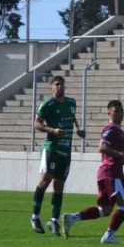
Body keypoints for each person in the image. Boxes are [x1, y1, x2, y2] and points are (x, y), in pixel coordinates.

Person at [62, 100, 124, 243]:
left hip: (109, 172)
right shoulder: (111, 129)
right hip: (112, 173)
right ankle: (109, 235)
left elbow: (111, 153)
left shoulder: (118, 130)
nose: (119, 113)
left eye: (121, 110)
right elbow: (103, 148)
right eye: (116, 110)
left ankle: (72, 218)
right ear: (109, 113)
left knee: (106, 210)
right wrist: (121, 155)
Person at [31, 76, 85, 236]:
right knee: (45, 180)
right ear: (51, 88)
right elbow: (37, 123)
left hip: (65, 151)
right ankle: (35, 216)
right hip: (51, 148)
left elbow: (72, 115)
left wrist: (78, 129)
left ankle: (54, 220)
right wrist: (52, 130)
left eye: (61, 84)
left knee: (59, 185)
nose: (60, 87)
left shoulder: (71, 102)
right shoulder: (48, 105)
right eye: (56, 85)